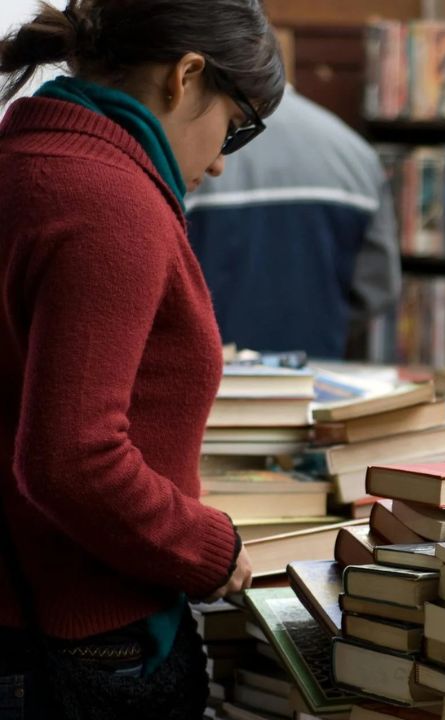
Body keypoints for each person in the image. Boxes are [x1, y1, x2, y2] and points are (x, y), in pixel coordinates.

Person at [0, 0, 283, 716]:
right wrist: (209, 549)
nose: (220, 161)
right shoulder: (107, 202)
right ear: (186, 76)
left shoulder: (27, 166)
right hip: (80, 647)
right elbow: (72, 459)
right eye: (237, 127)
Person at [186, 85, 400, 360]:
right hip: (315, 375)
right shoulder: (355, 154)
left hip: (213, 376)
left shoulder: (195, 153)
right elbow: (377, 288)